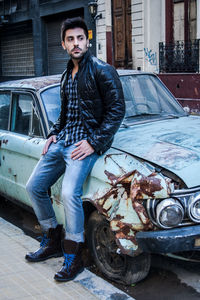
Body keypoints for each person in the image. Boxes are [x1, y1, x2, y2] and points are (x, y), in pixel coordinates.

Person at [25, 17, 125, 282]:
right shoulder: (65, 75)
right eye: (70, 39)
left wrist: (94, 142)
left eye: (80, 38)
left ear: (88, 41)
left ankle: (74, 256)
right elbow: (66, 113)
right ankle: (51, 239)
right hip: (63, 142)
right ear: (63, 44)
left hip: (84, 145)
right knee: (33, 187)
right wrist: (53, 133)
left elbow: (117, 111)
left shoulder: (103, 70)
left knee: (70, 193)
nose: (76, 43)